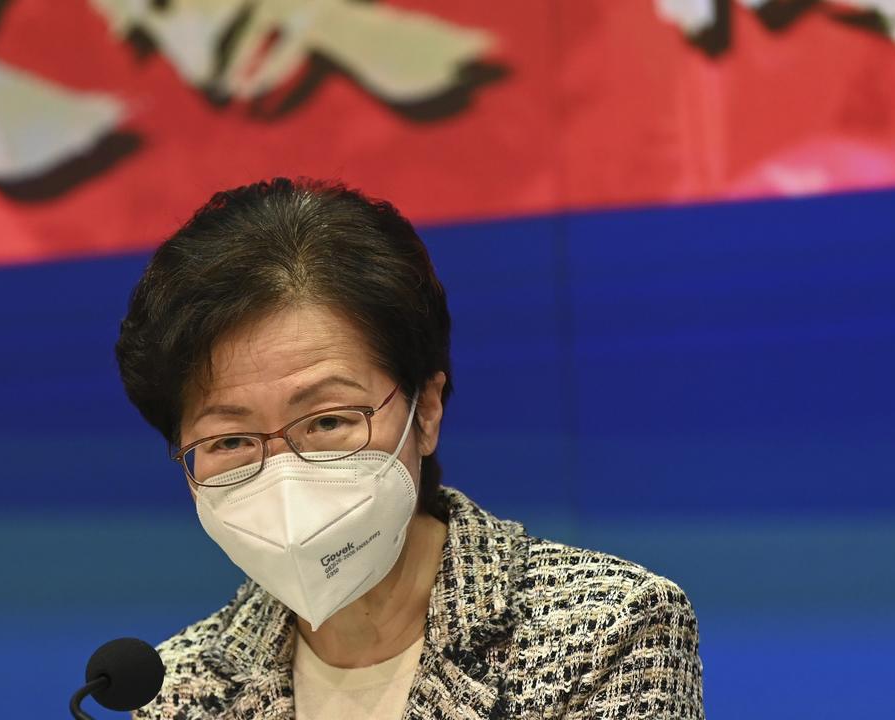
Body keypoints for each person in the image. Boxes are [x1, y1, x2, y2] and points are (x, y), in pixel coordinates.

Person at [115, 178, 705, 719]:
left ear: (425, 410)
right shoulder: (173, 692)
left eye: (326, 422)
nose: (284, 474)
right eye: (232, 440)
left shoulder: (608, 632)